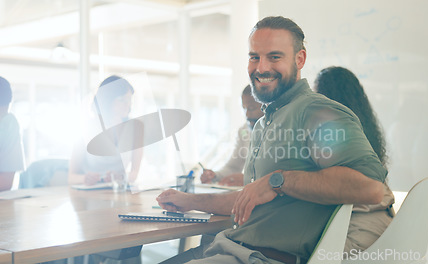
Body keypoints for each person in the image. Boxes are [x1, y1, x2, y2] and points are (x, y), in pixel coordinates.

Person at [156, 16, 387, 264]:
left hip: (261, 257)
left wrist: (278, 180)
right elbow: (249, 197)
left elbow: (370, 188)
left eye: (274, 57)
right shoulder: (266, 122)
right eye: (254, 56)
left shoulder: (318, 113)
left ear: (300, 59)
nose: (261, 67)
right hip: (233, 248)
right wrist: (191, 201)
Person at [313, 66, 395, 254]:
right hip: (384, 230)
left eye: (317, 96)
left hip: (354, 236)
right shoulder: (364, 132)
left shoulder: (333, 136)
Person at [68, 75, 143, 187]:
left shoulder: (135, 128)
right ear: (107, 100)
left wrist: (121, 177)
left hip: (119, 191)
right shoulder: (87, 128)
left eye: (129, 99)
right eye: (122, 100)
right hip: (90, 193)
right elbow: (71, 177)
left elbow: (134, 174)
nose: (128, 105)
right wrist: (85, 178)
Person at [200, 84, 263, 186]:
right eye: (244, 108)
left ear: (266, 106)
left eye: (251, 108)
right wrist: (215, 175)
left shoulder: (279, 130)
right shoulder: (243, 131)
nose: (247, 115)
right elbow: (233, 167)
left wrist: (247, 179)